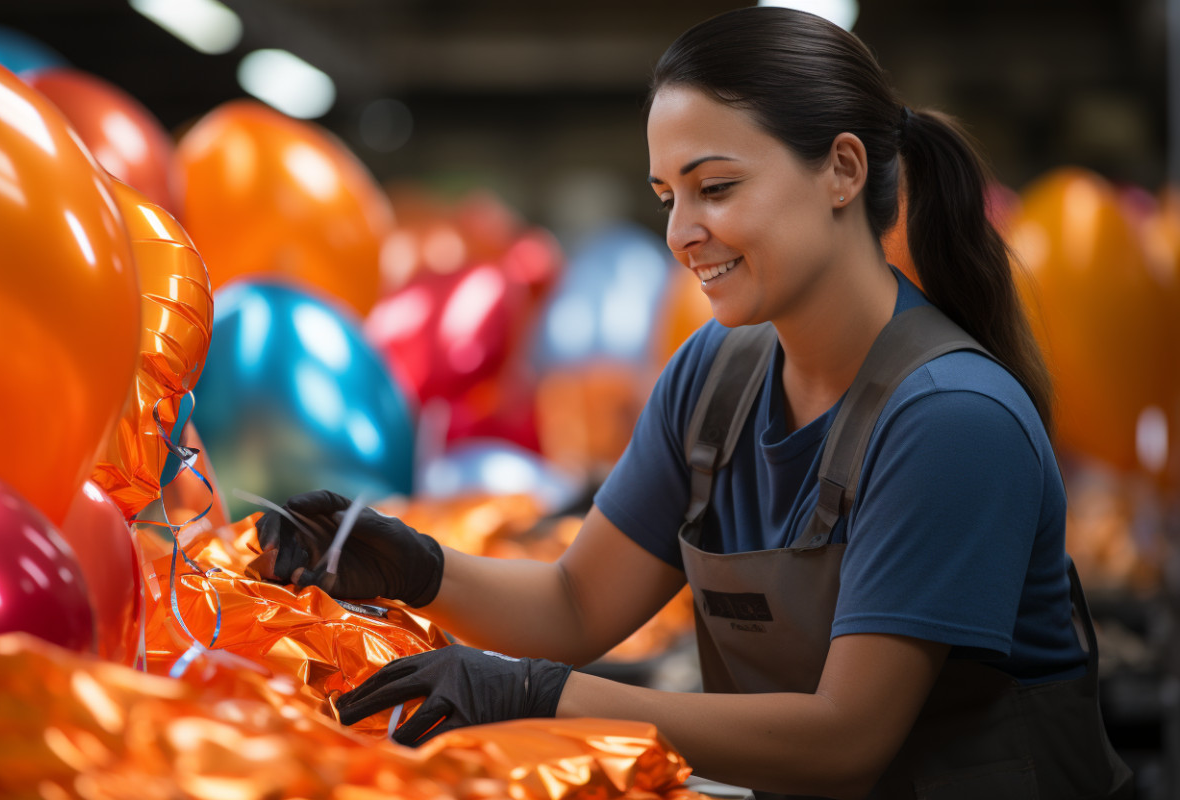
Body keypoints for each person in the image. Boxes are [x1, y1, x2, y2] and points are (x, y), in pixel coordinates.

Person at [256, 7, 1134, 799]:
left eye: (715, 188)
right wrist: (419, 571)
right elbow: (574, 605)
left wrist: (541, 696)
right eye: (667, 197)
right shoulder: (714, 378)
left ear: (842, 170)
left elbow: (846, 740)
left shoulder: (951, 417)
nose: (681, 234)